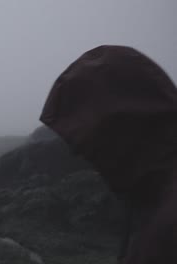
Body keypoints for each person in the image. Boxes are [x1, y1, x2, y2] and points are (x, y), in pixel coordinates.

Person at [39, 45, 177, 263]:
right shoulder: (151, 195)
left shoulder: (167, 229)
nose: (76, 152)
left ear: (117, 127)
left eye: (84, 138)